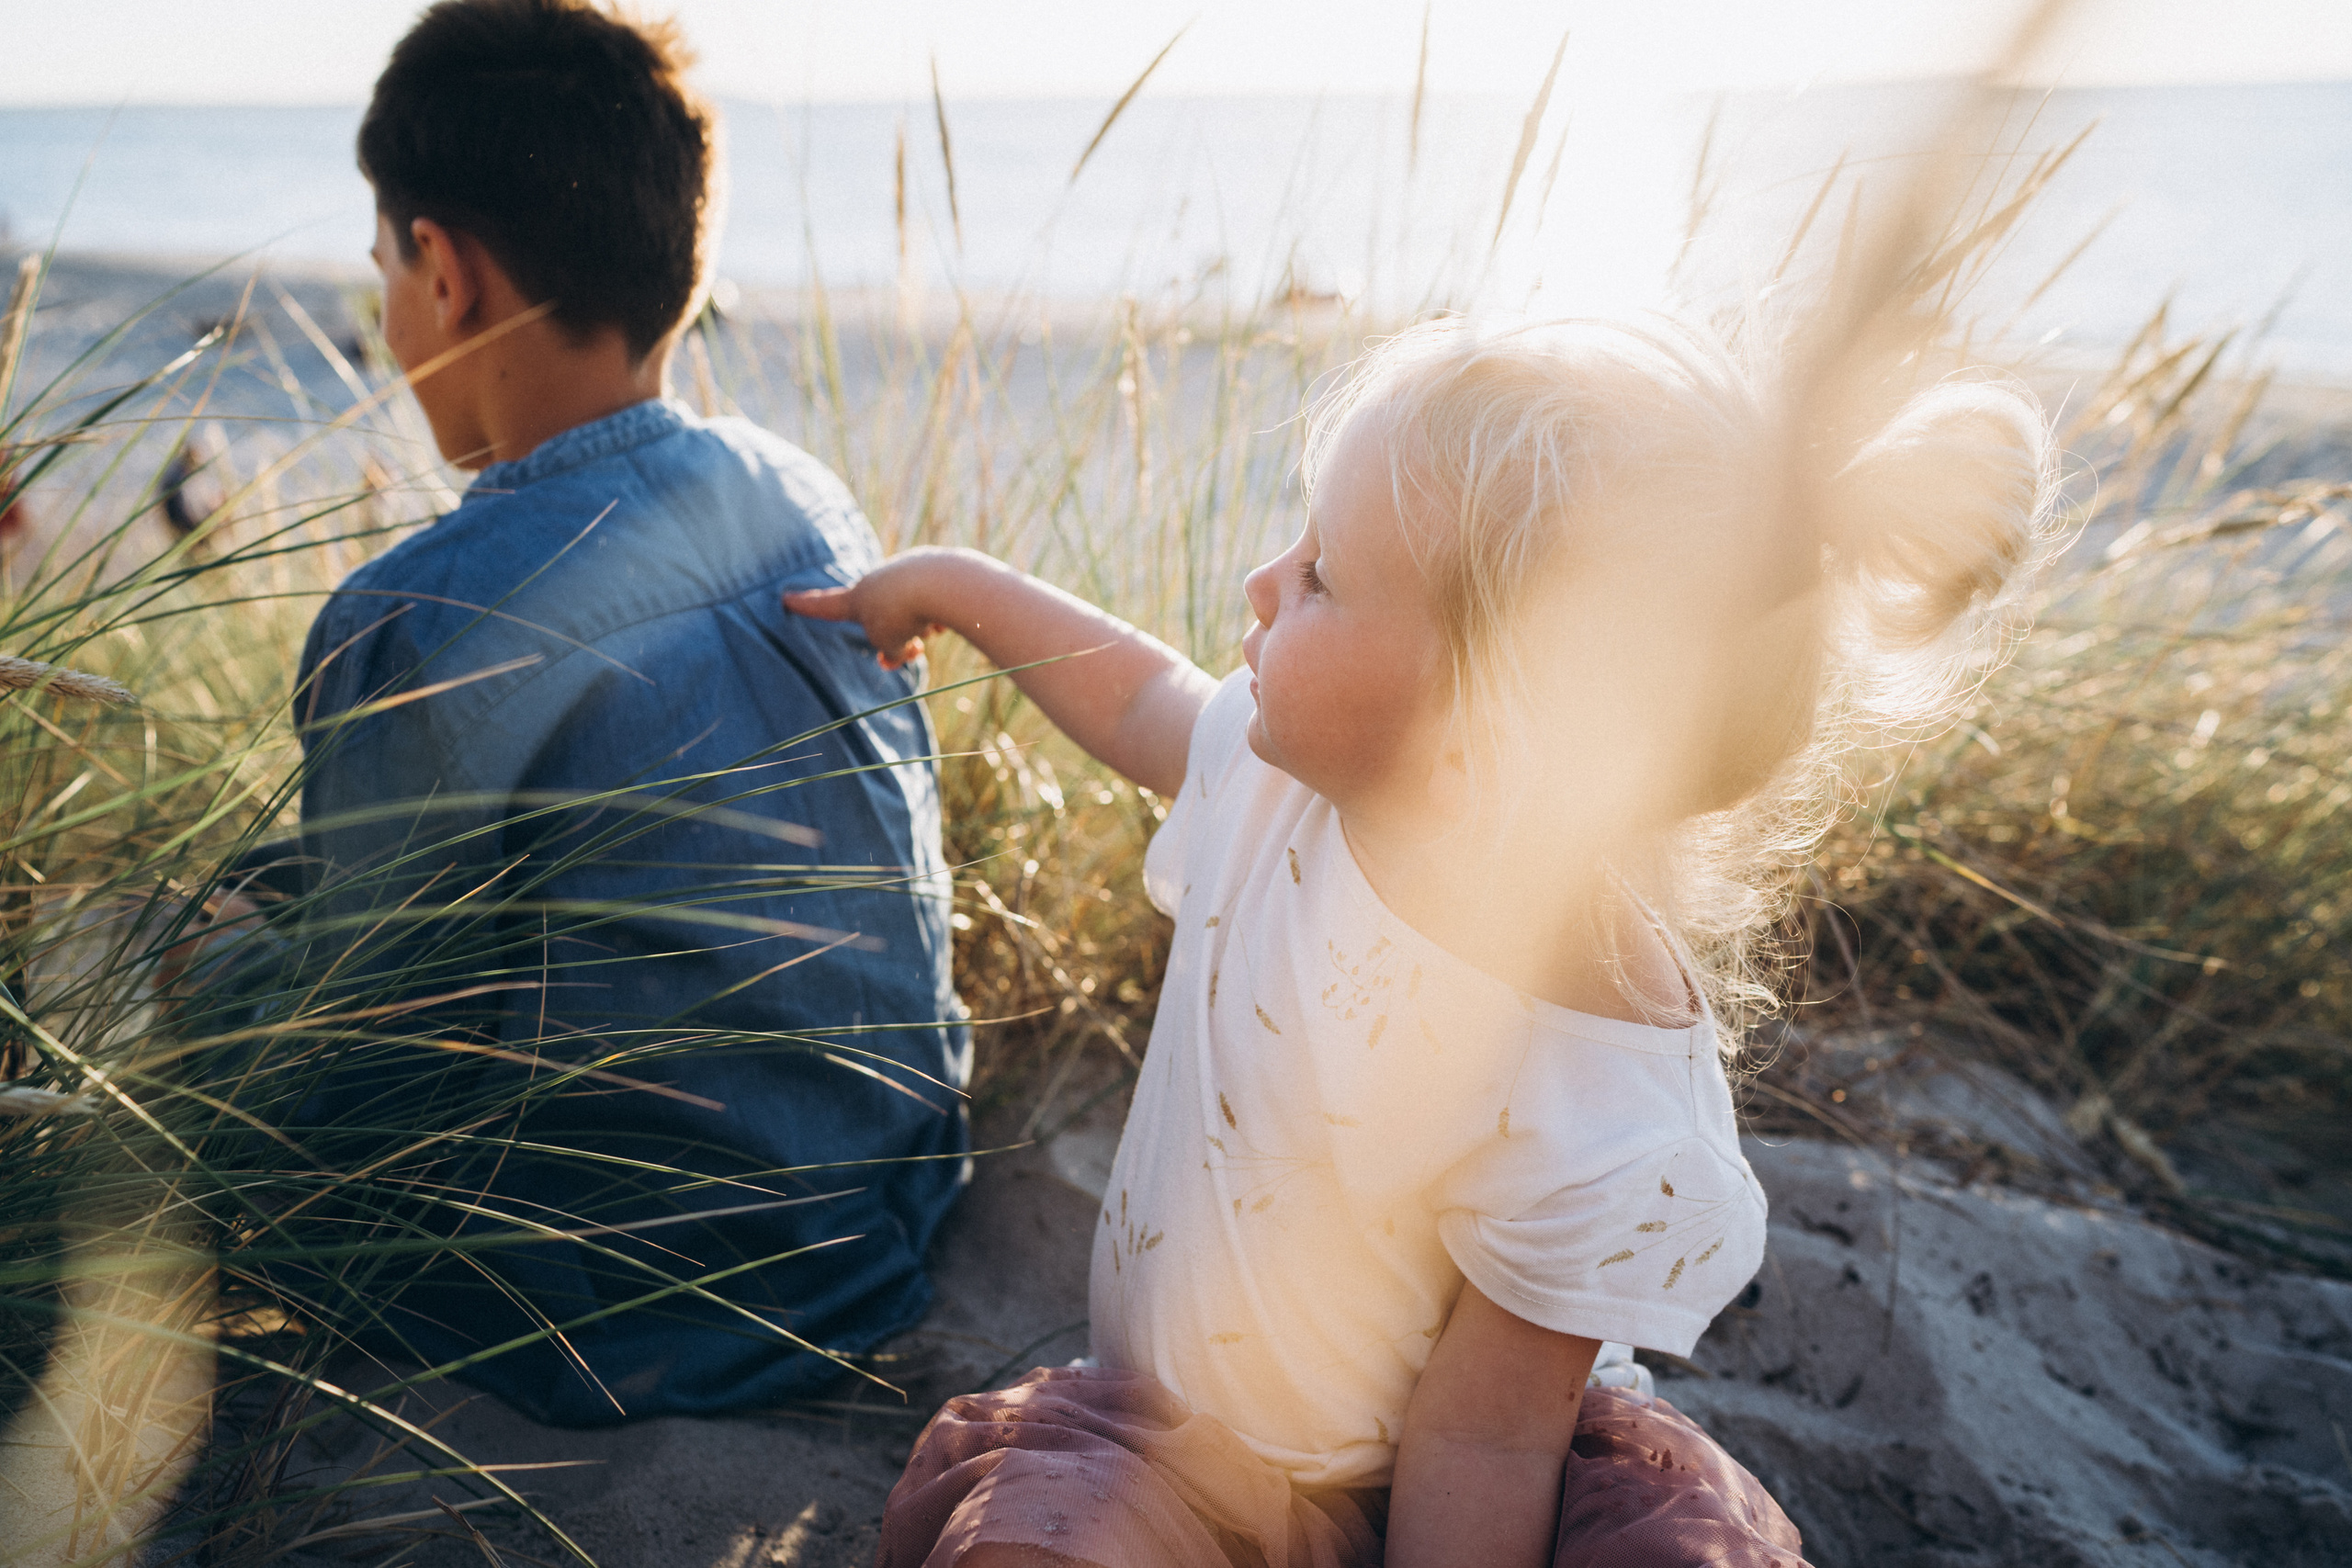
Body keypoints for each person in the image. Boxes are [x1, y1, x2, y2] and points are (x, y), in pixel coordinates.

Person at [789, 315, 2053, 1565]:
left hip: (1488, 1494)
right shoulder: (1291, 778)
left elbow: (1488, 1444)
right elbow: (1137, 696)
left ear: (1485, 736)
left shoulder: (1597, 1099)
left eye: (1325, 576)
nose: (1264, 583)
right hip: (1173, 1440)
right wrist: (957, 583)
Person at [196, 0, 969, 1426]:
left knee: (202, 996)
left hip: (608, 1321)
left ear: (445, 270)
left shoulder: (415, 616)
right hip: (885, 1233)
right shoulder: (809, 497)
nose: (385, 312)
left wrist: (224, 999)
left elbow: (361, 1072)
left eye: (383, 267)